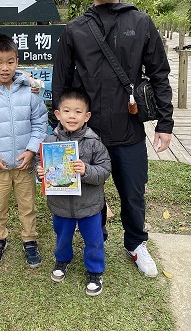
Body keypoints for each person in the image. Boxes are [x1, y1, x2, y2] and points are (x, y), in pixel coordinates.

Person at [51, 0, 174, 278]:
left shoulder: (141, 22)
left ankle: (135, 243)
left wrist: (165, 123)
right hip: (86, 132)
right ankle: (98, 236)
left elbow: (159, 75)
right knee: (90, 188)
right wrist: (58, 128)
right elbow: (61, 82)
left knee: (133, 192)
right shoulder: (75, 29)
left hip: (128, 128)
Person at [0, 34, 48, 268]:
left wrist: (31, 150)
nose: (4, 68)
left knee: (28, 206)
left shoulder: (30, 93)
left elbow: (40, 123)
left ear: (17, 62)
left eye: (10, 62)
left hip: (25, 165)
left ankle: (30, 240)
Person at [37, 88, 111, 296]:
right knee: (62, 236)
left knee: (94, 239)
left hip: (89, 205)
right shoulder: (50, 142)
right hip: (60, 205)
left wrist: (86, 170)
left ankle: (95, 271)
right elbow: (40, 165)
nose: (72, 116)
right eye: (67, 111)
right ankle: (62, 260)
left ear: (86, 116)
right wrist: (41, 172)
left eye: (78, 112)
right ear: (57, 114)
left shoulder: (94, 143)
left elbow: (105, 170)